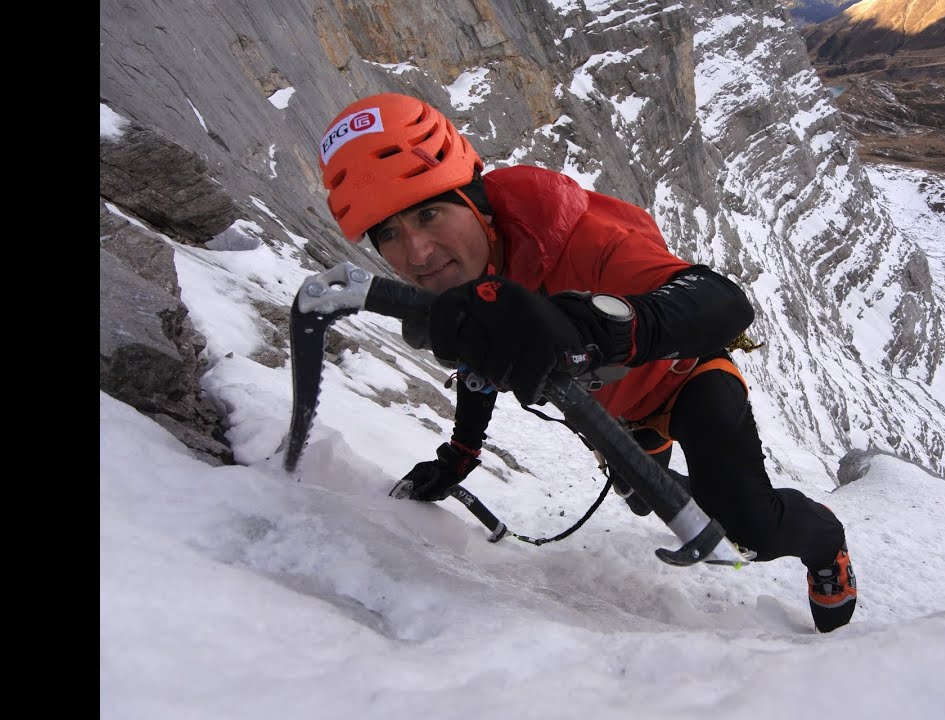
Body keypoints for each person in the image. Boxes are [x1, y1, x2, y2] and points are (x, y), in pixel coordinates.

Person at [316, 92, 857, 632]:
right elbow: (486, 363)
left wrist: (598, 326)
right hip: (609, 406)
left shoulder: (583, 236)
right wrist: (457, 459)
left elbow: (720, 300)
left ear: (477, 200)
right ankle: (668, 472)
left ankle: (824, 540)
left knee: (748, 532)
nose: (418, 254)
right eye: (388, 233)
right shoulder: (467, 278)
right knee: (645, 500)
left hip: (687, 378)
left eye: (429, 213)